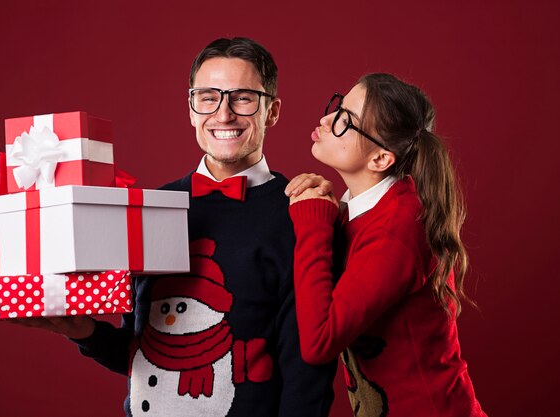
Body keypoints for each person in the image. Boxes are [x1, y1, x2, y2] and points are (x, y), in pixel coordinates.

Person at [24, 37, 336, 417]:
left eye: (242, 97)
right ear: (190, 108)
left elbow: (306, 369)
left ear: (271, 111)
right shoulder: (153, 208)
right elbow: (143, 350)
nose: (223, 115)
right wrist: (85, 332)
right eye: (208, 97)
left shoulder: (298, 212)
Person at [284, 73, 487, 417]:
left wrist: (312, 224)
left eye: (345, 121)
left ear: (380, 159)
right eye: (338, 106)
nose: (327, 119)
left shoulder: (396, 230)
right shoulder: (373, 210)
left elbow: (319, 342)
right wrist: (329, 215)